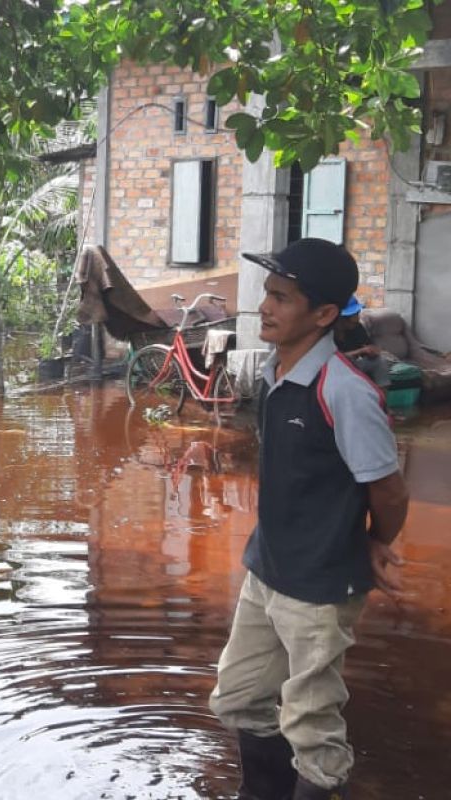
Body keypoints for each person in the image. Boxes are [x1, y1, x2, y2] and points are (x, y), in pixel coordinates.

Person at [209, 239, 410, 800]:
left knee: (311, 725)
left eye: (282, 298)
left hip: (320, 585)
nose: (265, 307)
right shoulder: (277, 373)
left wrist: (376, 543)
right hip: (268, 569)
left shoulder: (342, 390)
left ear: (323, 315)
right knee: (240, 696)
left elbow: (389, 491)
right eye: (267, 294)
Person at [334, 295, 390, 388]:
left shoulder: (357, 328)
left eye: (357, 314)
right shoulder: (326, 333)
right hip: (336, 367)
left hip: (356, 363)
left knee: (380, 362)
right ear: (341, 318)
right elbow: (332, 358)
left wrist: (372, 352)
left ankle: (382, 397)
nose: (357, 318)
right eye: (354, 315)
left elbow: (367, 345)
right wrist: (360, 351)